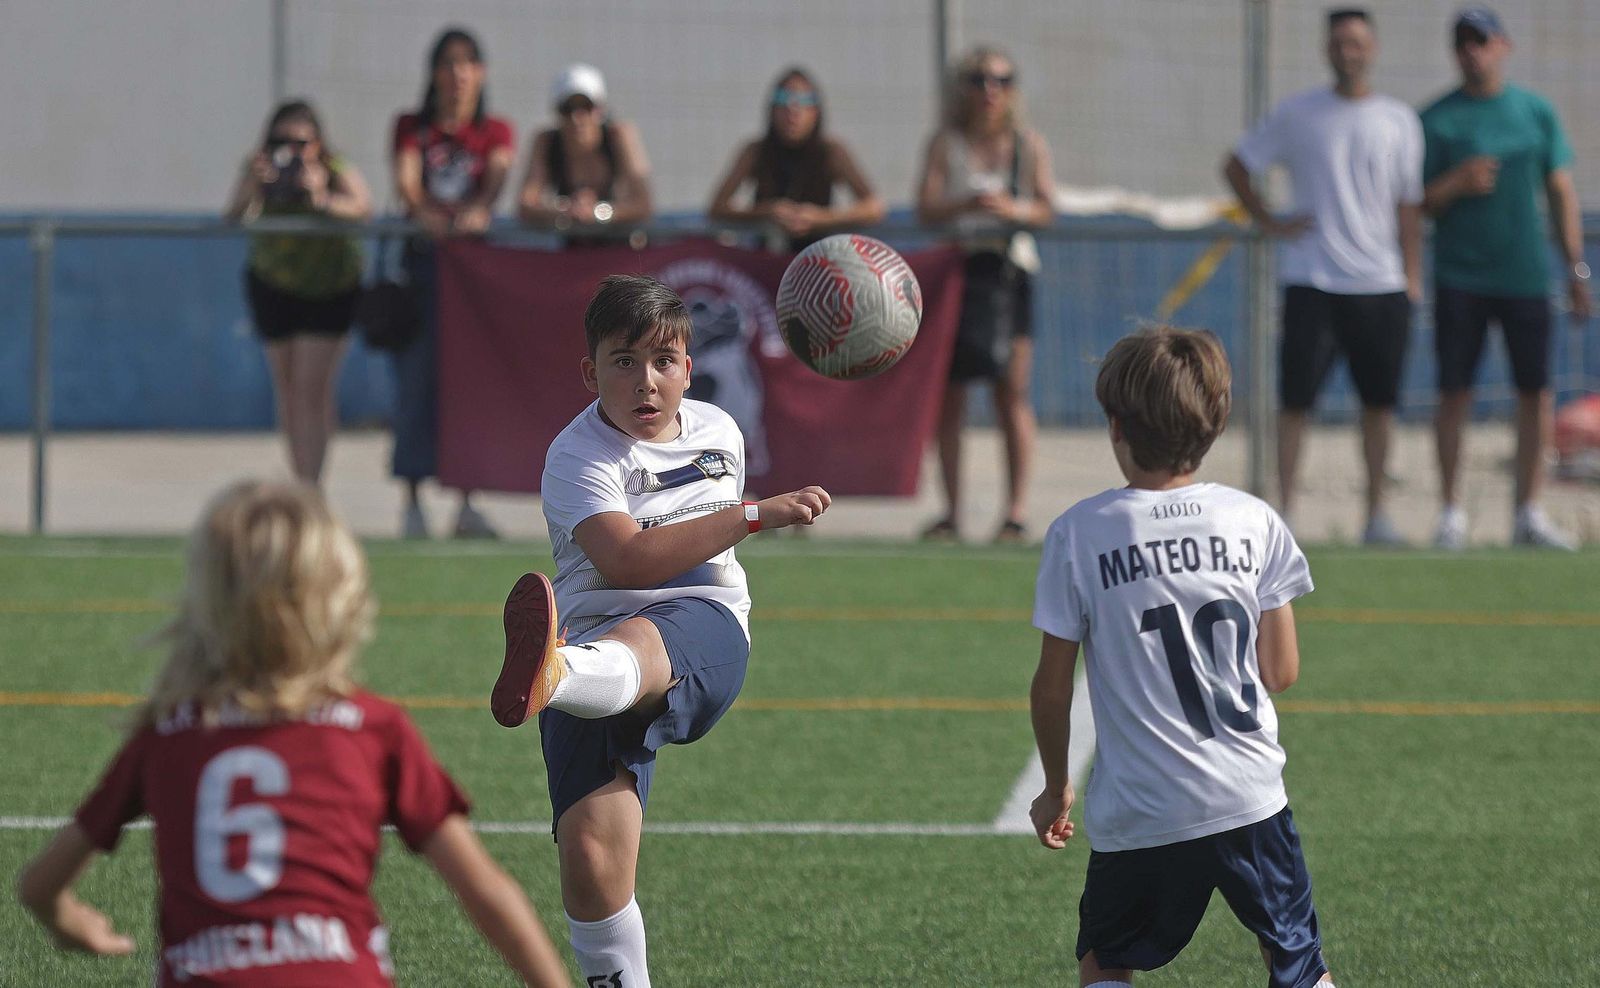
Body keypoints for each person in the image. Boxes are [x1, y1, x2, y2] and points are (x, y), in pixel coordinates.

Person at [15, 480, 569, 988]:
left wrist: (69, 920)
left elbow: (38, 885)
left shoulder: (169, 733)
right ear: (341, 603)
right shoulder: (373, 729)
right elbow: (486, 892)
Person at [488, 275, 830, 986]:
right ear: (590, 373)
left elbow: (668, 565)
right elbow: (622, 561)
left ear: (688, 369)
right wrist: (758, 513)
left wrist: (749, 516)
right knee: (590, 858)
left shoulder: (719, 431)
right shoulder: (576, 455)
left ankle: (556, 674)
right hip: (589, 645)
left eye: (663, 362)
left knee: (646, 636)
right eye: (623, 362)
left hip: (704, 627)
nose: (646, 382)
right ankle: (561, 674)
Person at [1028, 327, 1335, 988]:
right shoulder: (1254, 519)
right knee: (1295, 962)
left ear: (1116, 426)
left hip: (1142, 807)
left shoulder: (1079, 533)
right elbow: (1279, 672)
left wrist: (1056, 786)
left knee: (1107, 962)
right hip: (1249, 795)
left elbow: (1052, 690)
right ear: (1216, 423)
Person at [1223, 8, 1423, 545]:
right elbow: (1237, 165)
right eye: (1339, 42)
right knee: (1295, 402)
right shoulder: (1298, 114)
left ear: (1372, 48)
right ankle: (1283, 515)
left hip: (1380, 284)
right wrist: (1270, 221)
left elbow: (1408, 205)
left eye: (1357, 42)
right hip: (1312, 280)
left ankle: (1376, 514)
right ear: (1326, 49)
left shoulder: (1399, 120)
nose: (1347, 52)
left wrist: (1412, 276)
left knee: (1379, 404)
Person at [1421, 6, 1591, 550]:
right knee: (1454, 395)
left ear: (1503, 46)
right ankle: (1450, 512)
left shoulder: (1535, 113)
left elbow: (1561, 190)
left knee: (1534, 394)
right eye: (1463, 42)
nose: (1472, 50)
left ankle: (1529, 512)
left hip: (1525, 278)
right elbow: (1416, 204)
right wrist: (1457, 182)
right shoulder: (1436, 119)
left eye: (1482, 40)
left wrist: (1576, 268)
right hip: (1459, 278)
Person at [915, 45, 1056, 544]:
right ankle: (952, 510)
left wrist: (1012, 211)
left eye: (1001, 79)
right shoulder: (946, 142)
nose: (989, 90)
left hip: (1009, 270)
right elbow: (926, 207)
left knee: (1011, 392)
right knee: (950, 396)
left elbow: (1045, 207)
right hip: (957, 272)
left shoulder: (1026, 143)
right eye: (978, 79)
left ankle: (1014, 512)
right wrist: (967, 203)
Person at [390, 27, 515, 539]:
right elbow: (406, 181)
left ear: (479, 73)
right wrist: (426, 215)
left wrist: (478, 211)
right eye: (448, 63)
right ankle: (413, 499)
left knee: (469, 387)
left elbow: (498, 179)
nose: (457, 73)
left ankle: (467, 500)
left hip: (473, 276)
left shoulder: (495, 131)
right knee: (416, 382)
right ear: (434, 73)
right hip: (424, 269)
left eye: (467, 62)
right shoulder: (411, 127)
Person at [225, 100, 373, 485]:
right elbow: (232, 214)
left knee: (312, 388)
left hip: (329, 287)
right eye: (281, 140)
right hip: (273, 284)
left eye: (301, 142)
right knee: (288, 390)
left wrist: (321, 195)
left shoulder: (334, 168)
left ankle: (312, 484)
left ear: (318, 143)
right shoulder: (260, 168)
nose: (291, 150)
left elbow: (362, 207)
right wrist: (255, 183)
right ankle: (301, 478)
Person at [707, 66, 887, 251]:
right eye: (783, 98)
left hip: (818, 259)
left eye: (803, 100)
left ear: (816, 111)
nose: (792, 109)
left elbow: (873, 207)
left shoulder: (831, 152)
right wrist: (767, 211)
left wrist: (821, 218)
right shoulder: (755, 151)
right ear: (771, 109)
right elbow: (717, 207)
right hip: (767, 259)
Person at [517, 64, 653, 238]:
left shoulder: (618, 136)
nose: (577, 118)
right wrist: (568, 211)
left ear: (600, 110)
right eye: (568, 109)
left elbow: (643, 204)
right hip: (568, 246)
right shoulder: (546, 141)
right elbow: (526, 204)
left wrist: (599, 212)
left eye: (586, 107)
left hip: (617, 246)